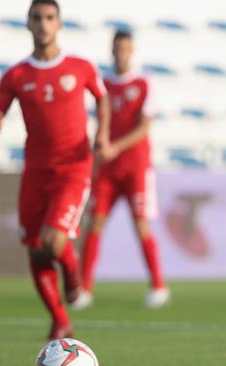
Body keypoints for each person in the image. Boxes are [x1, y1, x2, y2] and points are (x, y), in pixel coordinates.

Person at [0, 0, 110, 339]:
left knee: (53, 239)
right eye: (37, 18)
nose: (43, 24)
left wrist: (101, 133)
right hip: (35, 172)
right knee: (35, 249)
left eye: (49, 18)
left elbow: (101, 99)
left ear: (59, 24)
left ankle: (73, 280)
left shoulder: (80, 67)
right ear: (28, 24)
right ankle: (59, 318)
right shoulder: (15, 75)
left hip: (73, 167)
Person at [72, 30, 169, 310]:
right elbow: (99, 119)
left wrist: (115, 146)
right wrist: (100, 145)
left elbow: (144, 127)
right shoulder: (103, 83)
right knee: (95, 223)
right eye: (117, 48)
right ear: (111, 50)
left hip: (136, 167)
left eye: (125, 48)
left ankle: (158, 286)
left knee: (141, 226)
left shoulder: (144, 82)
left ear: (132, 50)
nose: (121, 53)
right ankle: (84, 288)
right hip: (107, 169)